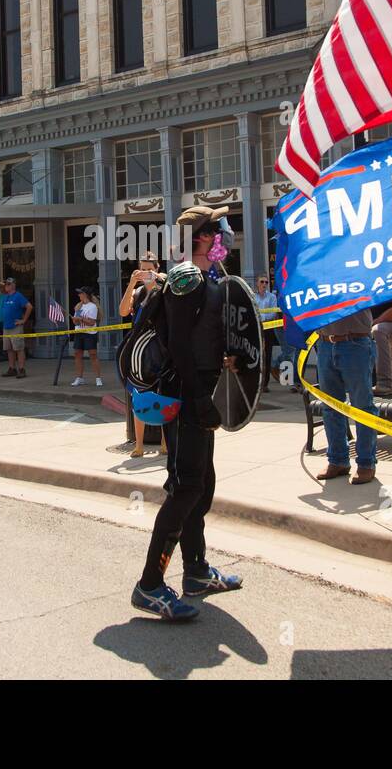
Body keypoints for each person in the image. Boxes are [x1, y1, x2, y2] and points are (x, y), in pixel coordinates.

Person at [132, 205, 243, 622]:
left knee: (201, 485)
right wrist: (197, 398)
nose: (226, 234)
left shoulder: (208, 277)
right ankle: (150, 585)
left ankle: (195, 572)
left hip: (202, 395)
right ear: (199, 237)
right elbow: (178, 344)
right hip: (185, 396)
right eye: (218, 228)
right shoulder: (186, 277)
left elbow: (203, 337)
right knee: (186, 486)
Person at [313, 307, 379, 484]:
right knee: (330, 407)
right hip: (326, 343)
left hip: (355, 342)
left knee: (362, 407)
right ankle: (337, 460)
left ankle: (366, 463)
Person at [120, 252, 166, 456]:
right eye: (142, 269)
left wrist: (156, 277)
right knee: (138, 395)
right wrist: (131, 284)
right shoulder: (137, 292)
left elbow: (170, 280)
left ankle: (165, 443)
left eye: (149, 269)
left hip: (160, 348)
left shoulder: (163, 287)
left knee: (162, 393)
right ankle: (139, 444)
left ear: (156, 268)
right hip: (138, 349)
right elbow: (123, 312)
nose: (146, 273)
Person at [70, 286, 104, 387]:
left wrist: (80, 319)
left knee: (93, 354)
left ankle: (98, 378)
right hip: (79, 332)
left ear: (85, 295)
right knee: (77, 354)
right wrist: (75, 319)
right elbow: (76, 322)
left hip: (89, 333)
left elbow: (91, 322)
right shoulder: (79, 306)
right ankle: (79, 378)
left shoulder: (93, 306)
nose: (78, 295)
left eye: (80, 293)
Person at [0, 277, 32, 379]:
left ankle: (22, 369)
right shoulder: (5, 297)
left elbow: (29, 306)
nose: (6, 286)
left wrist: (24, 320)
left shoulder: (18, 296)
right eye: (5, 285)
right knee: (9, 349)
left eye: (8, 284)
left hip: (15, 327)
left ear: (13, 285)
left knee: (19, 348)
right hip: (6, 327)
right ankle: (11, 368)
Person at [254, 276, 278, 394]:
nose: (264, 284)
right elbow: (252, 311)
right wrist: (260, 318)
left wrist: (261, 317)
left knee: (267, 356)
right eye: (262, 282)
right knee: (257, 355)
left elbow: (273, 313)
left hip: (268, 329)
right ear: (257, 284)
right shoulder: (253, 297)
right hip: (256, 329)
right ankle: (256, 382)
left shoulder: (272, 297)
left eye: (266, 282)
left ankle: (265, 384)